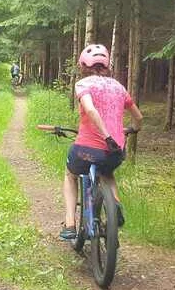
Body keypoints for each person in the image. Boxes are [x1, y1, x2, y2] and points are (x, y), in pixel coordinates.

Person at [60, 44, 143, 241]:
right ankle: (114, 206)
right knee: (107, 173)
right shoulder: (119, 87)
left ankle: (70, 223)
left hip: (87, 149)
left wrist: (105, 134)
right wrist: (133, 129)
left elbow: (90, 110)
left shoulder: (83, 84)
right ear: (107, 65)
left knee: (70, 174)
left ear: (83, 65)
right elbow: (138, 117)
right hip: (114, 152)